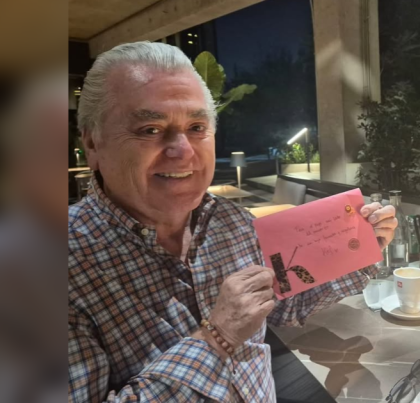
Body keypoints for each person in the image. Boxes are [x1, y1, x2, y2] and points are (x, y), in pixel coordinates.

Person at [68, 42, 398, 402]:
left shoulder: (232, 221)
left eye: (197, 127)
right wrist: (218, 336)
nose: (184, 151)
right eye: (150, 129)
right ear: (92, 144)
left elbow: (283, 305)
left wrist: (360, 249)